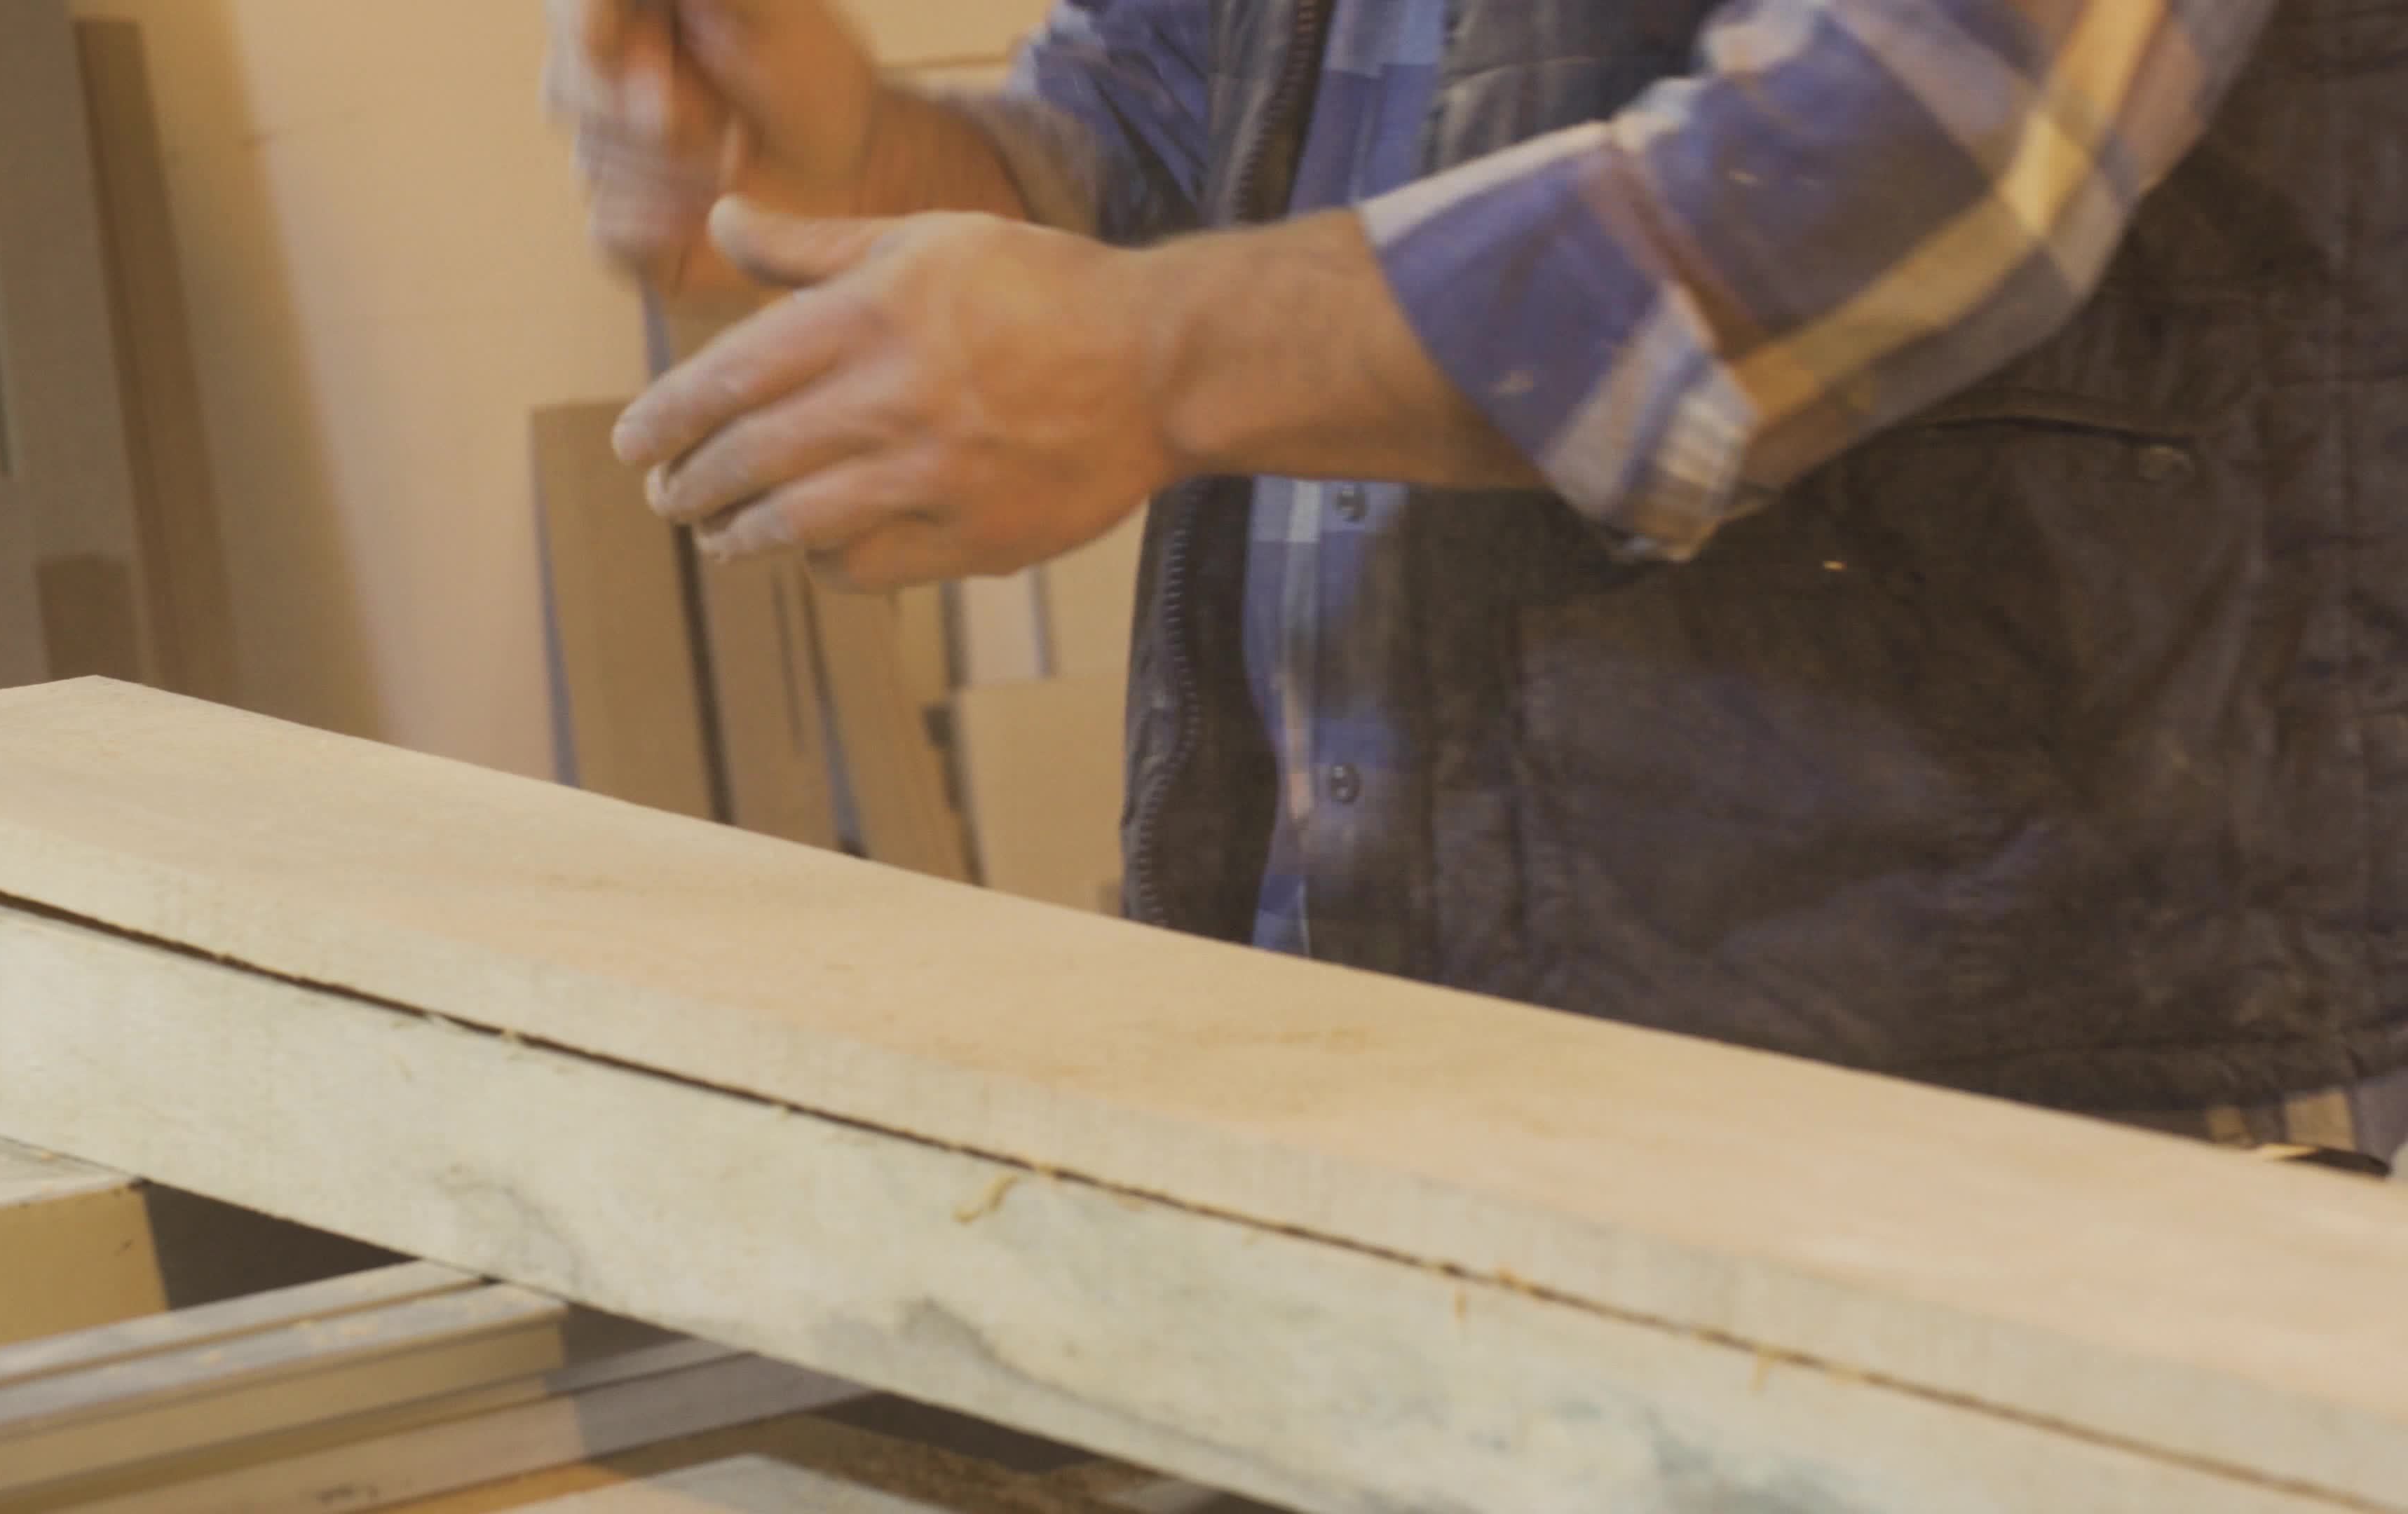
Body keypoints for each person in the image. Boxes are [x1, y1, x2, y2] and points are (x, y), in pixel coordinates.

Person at [546, 0, 2408, 1170]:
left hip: (2036, 1129)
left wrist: (1153, 361)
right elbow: (1197, 142)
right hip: (1418, 1098)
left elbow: (1917, 148)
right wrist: (866, 159)